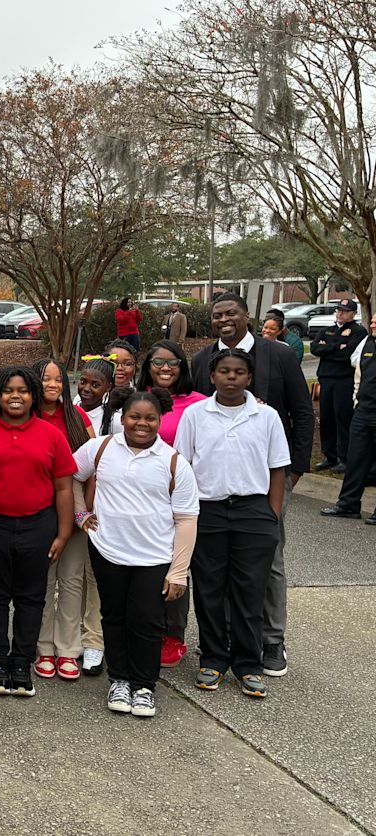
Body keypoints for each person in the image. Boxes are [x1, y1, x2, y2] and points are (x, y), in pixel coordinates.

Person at [190, 293, 313, 679]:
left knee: (268, 562)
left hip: (266, 479)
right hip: (214, 488)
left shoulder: (278, 355)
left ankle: (271, 640)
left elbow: (302, 411)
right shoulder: (201, 360)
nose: (224, 319)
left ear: (247, 316)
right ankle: (224, 640)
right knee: (218, 568)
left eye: (232, 312)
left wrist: (295, 470)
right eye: (217, 314)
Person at [75, 391, 199, 717]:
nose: (141, 424)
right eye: (134, 417)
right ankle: (119, 679)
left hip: (154, 557)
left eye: (149, 418)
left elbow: (187, 519)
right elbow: (71, 476)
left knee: (147, 621)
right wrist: (80, 514)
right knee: (113, 617)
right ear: (122, 417)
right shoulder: (100, 448)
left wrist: (178, 571)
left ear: (160, 420)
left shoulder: (174, 462)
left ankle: (144, 686)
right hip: (108, 551)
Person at [175, 349, 290, 699]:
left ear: (249, 377)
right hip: (207, 510)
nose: (231, 377)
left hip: (253, 511)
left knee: (250, 590)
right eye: (224, 371)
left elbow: (278, 468)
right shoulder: (196, 414)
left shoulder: (266, 416)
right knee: (209, 588)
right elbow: (183, 465)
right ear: (212, 376)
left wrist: (271, 515)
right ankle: (213, 659)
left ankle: (248, 664)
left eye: (239, 372)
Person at [0, 366, 77, 699]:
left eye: (23, 391)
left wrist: (63, 533)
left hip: (38, 525)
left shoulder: (51, 435)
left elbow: (64, 488)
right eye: (8, 390)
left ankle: (21, 662)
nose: (15, 396)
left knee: (31, 598)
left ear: (33, 396)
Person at [134, 339, 208, 668]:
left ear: (183, 366)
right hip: (138, 497)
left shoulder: (199, 404)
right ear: (147, 366)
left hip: (180, 496)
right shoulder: (136, 399)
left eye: (173, 362)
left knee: (177, 564)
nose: (166, 368)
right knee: (142, 565)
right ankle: (140, 627)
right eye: (158, 362)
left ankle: (173, 633)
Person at [32, 358, 95, 682]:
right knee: (42, 582)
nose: (53, 385)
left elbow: (93, 465)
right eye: (46, 379)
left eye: (58, 379)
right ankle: (43, 646)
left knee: (71, 581)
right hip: (39, 513)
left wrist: (87, 510)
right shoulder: (26, 417)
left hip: (75, 510)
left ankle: (68, 648)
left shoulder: (77, 417)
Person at [321, 312, 376, 524]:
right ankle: (348, 504)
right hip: (363, 411)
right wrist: (356, 399)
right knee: (355, 459)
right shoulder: (367, 343)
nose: (372, 323)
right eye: (372, 320)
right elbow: (358, 371)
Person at [310, 299, 364, 473]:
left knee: (342, 418)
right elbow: (314, 348)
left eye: (344, 311)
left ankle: (344, 457)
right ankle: (330, 455)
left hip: (344, 380)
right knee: (327, 418)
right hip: (326, 379)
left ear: (353, 314)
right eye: (338, 310)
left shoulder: (358, 331)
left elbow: (348, 355)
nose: (340, 313)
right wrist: (336, 347)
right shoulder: (327, 330)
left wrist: (328, 348)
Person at [77, 356, 115, 434]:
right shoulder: (68, 411)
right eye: (83, 382)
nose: (86, 389)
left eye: (95, 385)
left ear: (108, 387)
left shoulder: (113, 421)